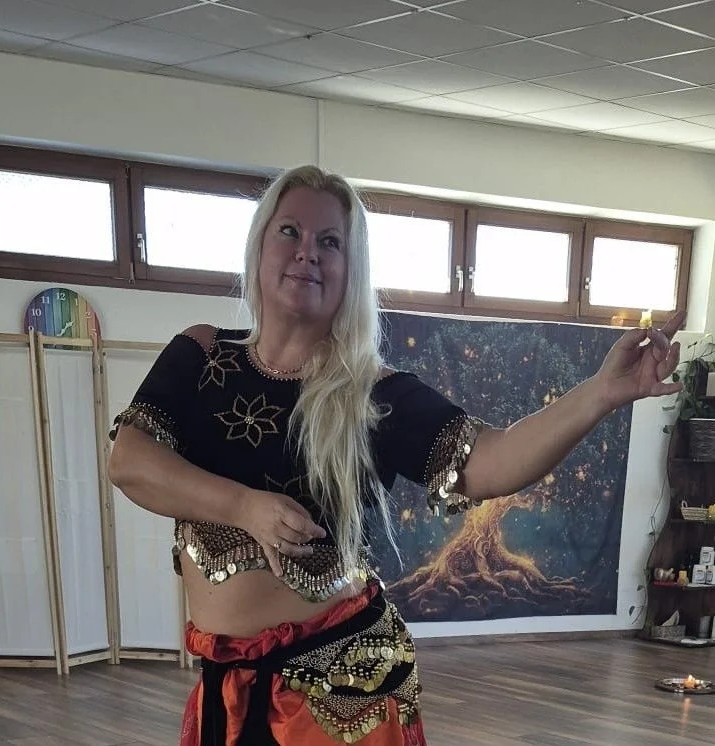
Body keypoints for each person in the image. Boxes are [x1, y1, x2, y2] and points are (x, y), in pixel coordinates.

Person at [108, 165, 683, 746]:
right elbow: (129, 461)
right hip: (228, 684)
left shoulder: (372, 394)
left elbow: (491, 460)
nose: (307, 252)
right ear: (259, 245)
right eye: (290, 231)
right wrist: (245, 508)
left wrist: (600, 394)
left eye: (330, 242)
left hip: (330, 698)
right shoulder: (203, 353)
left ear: (351, 270)